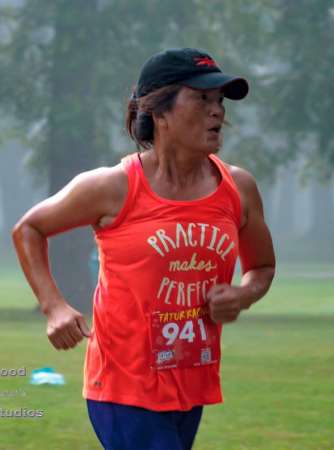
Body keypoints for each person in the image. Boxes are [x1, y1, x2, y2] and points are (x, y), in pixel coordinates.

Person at [11, 47, 276, 450]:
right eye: (201, 98)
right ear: (160, 111)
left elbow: (262, 267)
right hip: (124, 388)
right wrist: (54, 306)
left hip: (191, 383)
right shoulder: (112, 186)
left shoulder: (238, 188)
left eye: (219, 100)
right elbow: (29, 228)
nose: (217, 111)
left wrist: (242, 294)